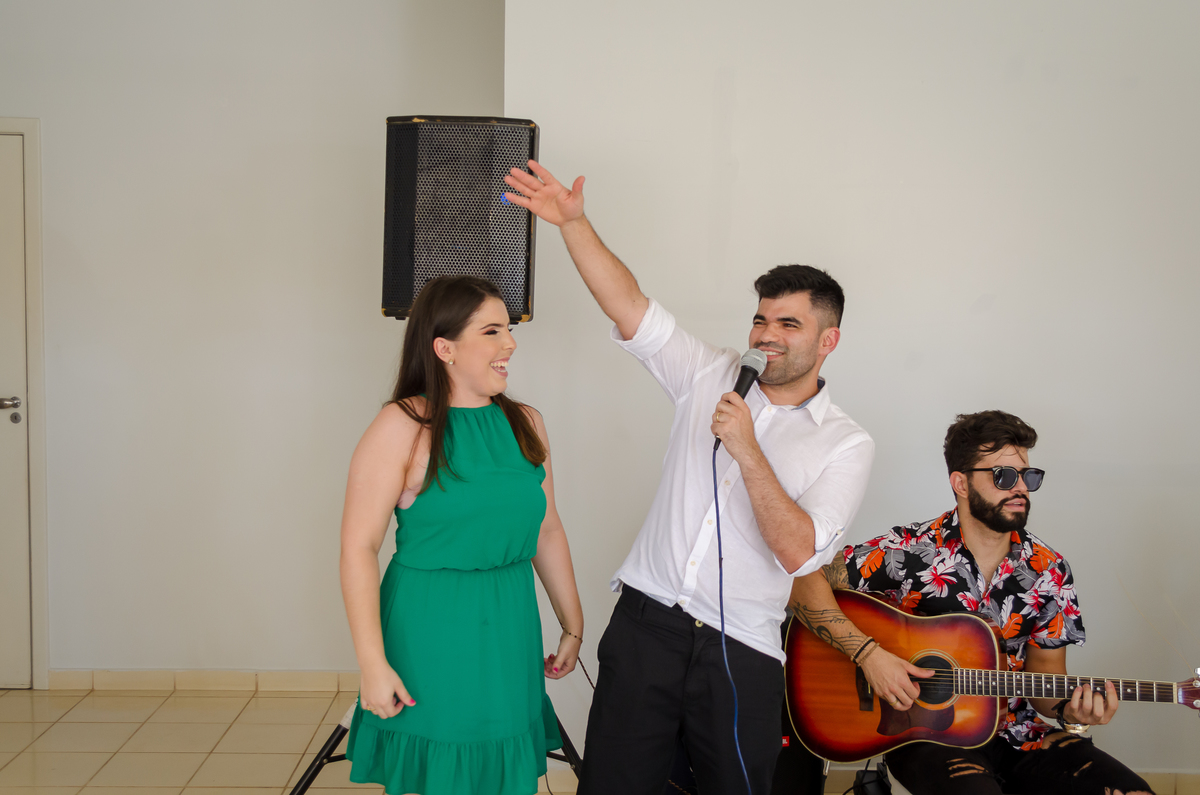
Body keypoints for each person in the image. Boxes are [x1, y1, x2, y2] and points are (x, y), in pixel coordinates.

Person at [504, 162, 874, 795]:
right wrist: (572, 223)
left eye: (789, 325)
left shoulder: (845, 442)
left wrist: (747, 449)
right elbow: (630, 306)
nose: (767, 336)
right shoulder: (710, 372)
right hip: (647, 625)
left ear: (828, 340)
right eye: (761, 320)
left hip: (742, 649)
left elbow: (798, 552)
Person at [789, 410, 1153, 795]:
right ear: (961, 483)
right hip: (926, 735)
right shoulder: (908, 551)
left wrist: (1070, 710)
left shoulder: (1049, 570)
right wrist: (869, 655)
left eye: (1028, 477)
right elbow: (801, 577)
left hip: (1021, 735)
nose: (1021, 489)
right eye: (1004, 476)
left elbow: (1046, 678)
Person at [338, 276, 585, 795]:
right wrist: (372, 664)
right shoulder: (402, 426)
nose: (510, 343)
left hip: (510, 622)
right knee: (441, 772)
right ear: (444, 348)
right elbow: (358, 548)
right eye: (491, 331)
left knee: (500, 773)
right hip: (429, 626)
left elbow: (547, 528)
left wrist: (572, 623)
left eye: (508, 329)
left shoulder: (526, 423)